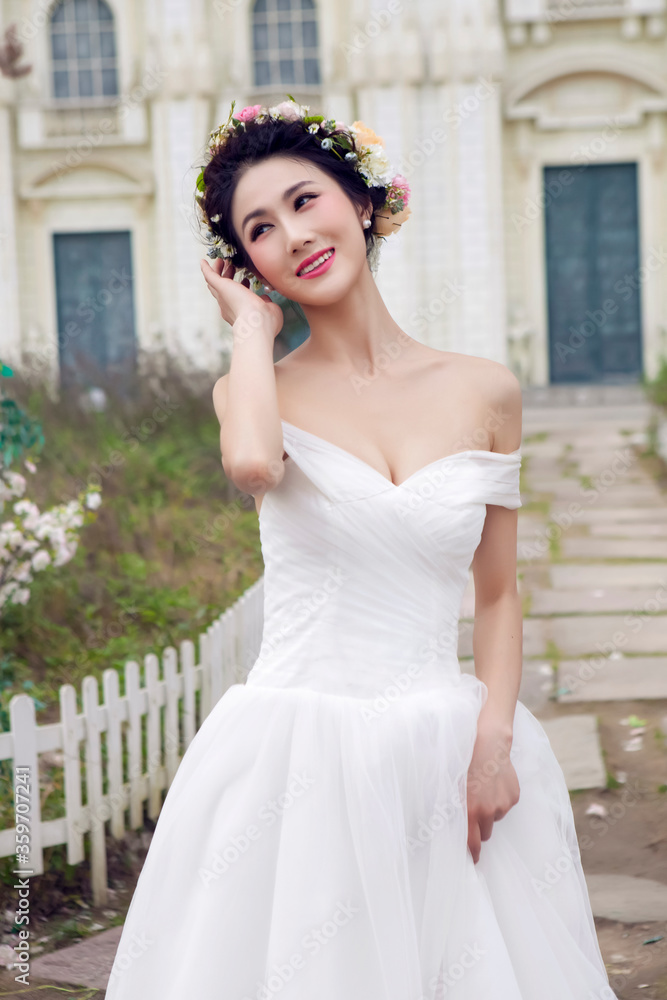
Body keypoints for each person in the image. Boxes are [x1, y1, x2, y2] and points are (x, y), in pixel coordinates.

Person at [105, 97, 619, 999]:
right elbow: (254, 465)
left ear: (362, 201)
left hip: (443, 749)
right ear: (246, 264)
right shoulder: (250, 391)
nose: (293, 235)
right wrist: (251, 329)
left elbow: (497, 593)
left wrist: (492, 739)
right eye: (259, 229)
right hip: (298, 759)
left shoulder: (484, 391)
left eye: (304, 201)